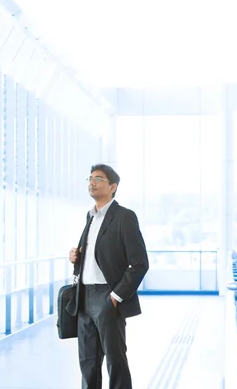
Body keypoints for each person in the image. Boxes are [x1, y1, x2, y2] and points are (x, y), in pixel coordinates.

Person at [68, 164, 149, 389]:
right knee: (88, 362)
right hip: (84, 297)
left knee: (115, 360)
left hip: (107, 297)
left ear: (113, 187)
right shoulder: (90, 216)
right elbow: (95, 253)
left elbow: (140, 263)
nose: (92, 182)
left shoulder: (124, 217)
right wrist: (76, 256)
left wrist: (115, 297)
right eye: (90, 178)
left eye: (99, 179)